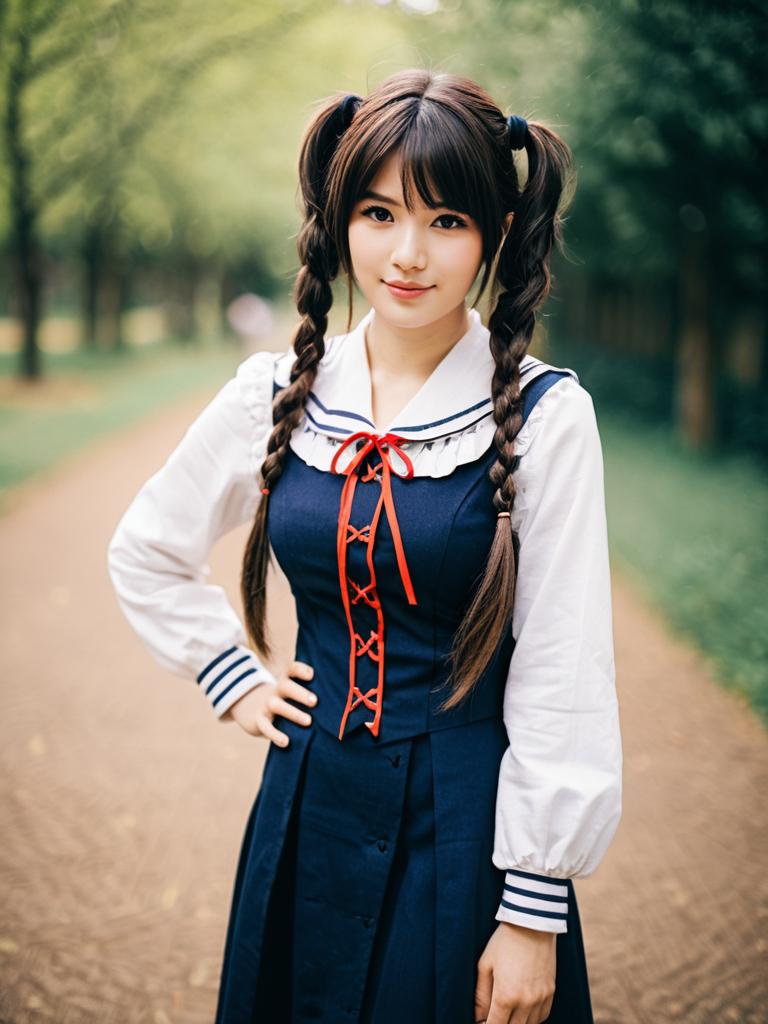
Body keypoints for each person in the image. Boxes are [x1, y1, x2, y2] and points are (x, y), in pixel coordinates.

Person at [107, 68, 623, 1024]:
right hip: (305, 802)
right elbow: (147, 547)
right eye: (379, 214)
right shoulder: (277, 393)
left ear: (498, 232)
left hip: (463, 830)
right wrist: (232, 676)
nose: (408, 254)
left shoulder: (548, 418)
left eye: (447, 221)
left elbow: (565, 667)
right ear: (341, 220)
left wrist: (532, 912)